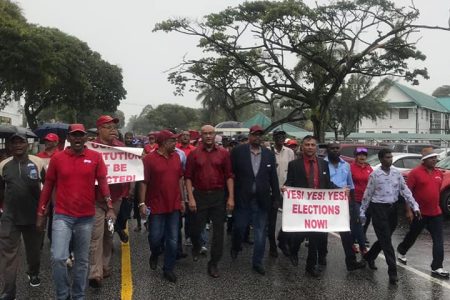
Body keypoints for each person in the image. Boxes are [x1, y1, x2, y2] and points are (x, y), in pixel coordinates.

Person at [360, 148, 421, 285]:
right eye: (387, 157)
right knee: (387, 242)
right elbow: (367, 194)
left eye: (391, 157)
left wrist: (415, 206)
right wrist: (362, 212)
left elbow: (405, 191)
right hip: (378, 209)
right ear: (381, 159)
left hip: (392, 210)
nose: (390, 159)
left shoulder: (396, 173)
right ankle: (392, 273)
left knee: (384, 238)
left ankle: (369, 256)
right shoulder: (375, 175)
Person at [0, 133, 46, 300]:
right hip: (10, 218)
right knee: (8, 255)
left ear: (27, 144)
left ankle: (33, 272)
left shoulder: (38, 163)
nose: (18, 145)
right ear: (10, 147)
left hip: (34, 217)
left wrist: (44, 212)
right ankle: (8, 290)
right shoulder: (3, 165)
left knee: (33, 251)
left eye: (21, 142)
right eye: (14, 143)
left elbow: (47, 188)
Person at [230, 125, 280, 276]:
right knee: (239, 227)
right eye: (255, 134)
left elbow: (273, 178)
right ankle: (235, 245)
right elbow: (230, 174)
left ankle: (257, 262)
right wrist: (229, 196)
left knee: (260, 233)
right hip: (243, 198)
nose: (257, 137)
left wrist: (276, 197)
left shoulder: (269, 154)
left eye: (260, 134)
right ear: (250, 135)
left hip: (262, 200)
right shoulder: (238, 152)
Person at [185, 125, 234, 278]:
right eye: (205, 133)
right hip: (199, 196)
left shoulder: (224, 154)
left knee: (219, 233)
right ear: (201, 135)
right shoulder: (193, 154)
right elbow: (188, 177)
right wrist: (191, 198)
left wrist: (231, 197)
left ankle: (213, 263)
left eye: (210, 133)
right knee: (195, 229)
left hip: (218, 197)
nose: (208, 136)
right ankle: (197, 244)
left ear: (215, 135)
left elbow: (229, 176)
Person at [284, 136, 337, 277]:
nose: (310, 147)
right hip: (302, 208)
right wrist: (286, 188)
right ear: (302, 146)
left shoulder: (323, 164)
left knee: (315, 238)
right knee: (298, 235)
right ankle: (294, 250)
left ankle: (310, 266)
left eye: (312, 145)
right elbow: (289, 182)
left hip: (318, 209)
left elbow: (328, 184)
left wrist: (340, 191)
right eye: (307, 144)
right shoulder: (294, 165)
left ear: (316, 147)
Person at [138, 130, 185, 283]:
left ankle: (168, 268)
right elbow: (144, 183)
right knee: (155, 237)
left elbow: (180, 179)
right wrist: (142, 203)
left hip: (174, 205)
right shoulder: (149, 159)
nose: (175, 144)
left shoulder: (177, 157)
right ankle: (155, 253)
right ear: (164, 142)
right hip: (156, 205)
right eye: (172, 141)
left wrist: (183, 200)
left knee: (172, 239)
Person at [89, 115, 130, 288]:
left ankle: (105, 266)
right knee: (96, 235)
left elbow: (129, 170)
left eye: (114, 127)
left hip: (116, 199)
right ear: (99, 129)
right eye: (108, 126)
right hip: (95, 200)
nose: (113, 129)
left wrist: (126, 192)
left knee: (108, 233)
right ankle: (95, 272)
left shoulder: (121, 148)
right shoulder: (90, 148)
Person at [397, 148, 449, 278]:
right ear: (424, 160)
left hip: (436, 213)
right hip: (419, 213)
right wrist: (409, 211)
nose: (435, 160)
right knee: (413, 235)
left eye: (435, 158)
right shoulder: (415, 173)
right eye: (432, 158)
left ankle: (437, 266)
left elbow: (436, 191)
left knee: (438, 240)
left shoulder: (439, 173)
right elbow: (407, 194)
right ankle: (402, 250)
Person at [322, 143, 365, 271]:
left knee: (346, 233)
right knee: (323, 232)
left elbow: (350, 186)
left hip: (342, 205)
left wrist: (351, 205)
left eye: (337, 148)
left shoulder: (346, 165)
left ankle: (351, 262)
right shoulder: (321, 164)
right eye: (332, 148)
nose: (335, 150)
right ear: (327, 150)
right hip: (325, 203)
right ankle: (322, 257)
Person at [269, 129, 295, 258]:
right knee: (272, 220)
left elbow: (292, 170)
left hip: (286, 191)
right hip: (271, 191)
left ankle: (282, 240)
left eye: (282, 136)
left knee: (290, 218)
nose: (280, 138)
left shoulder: (290, 152)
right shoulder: (268, 152)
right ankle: (272, 246)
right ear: (273, 138)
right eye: (278, 136)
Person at [350, 147, 373, 254]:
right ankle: (363, 246)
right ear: (356, 156)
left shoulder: (369, 168)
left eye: (364, 155)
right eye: (359, 155)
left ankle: (351, 242)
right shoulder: (350, 167)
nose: (362, 157)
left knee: (362, 222)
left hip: (367, 200)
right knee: (359, 220)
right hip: (355, 199)